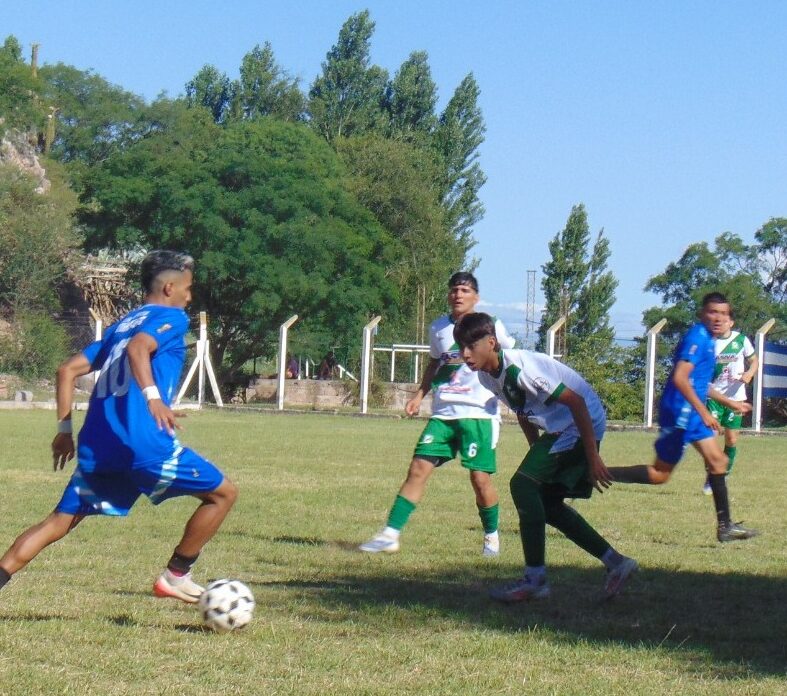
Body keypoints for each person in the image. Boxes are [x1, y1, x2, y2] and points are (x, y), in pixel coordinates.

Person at [0, 250, 238, 602]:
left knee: (58, 522)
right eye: (188, 288)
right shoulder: (172, 317)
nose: (190, 297)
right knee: (223, 494)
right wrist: (153, 398)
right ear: (170, 288)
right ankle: (176, 574)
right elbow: (139, 349)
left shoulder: (122, 326)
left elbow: (67, 370)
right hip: (142, 443)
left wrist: (64, 432)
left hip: (100, 447)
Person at [453, 312, 637, 602]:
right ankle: (617, 563)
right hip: (561, 426)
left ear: (491, 342)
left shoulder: (521, 368)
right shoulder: (486, 376)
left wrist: (593, 457)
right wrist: (535, 450)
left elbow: (576, 402)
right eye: (461, 346)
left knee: (522, 485)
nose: (464, 354)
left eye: (470, 346)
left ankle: (535, 579)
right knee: (547, 504)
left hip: (580, 421)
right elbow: (521, 409)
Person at [359, 272, 515, 557]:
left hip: (479, 414)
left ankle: (491, 537)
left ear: (476, 297)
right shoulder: (439, 328)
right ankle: (390, 534)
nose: (458, 295)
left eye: (465, 290)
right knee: (418, 468)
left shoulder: (491, 325)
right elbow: (434, 364)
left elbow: (508, 359)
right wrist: (419, 395)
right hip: (443, 413)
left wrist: (509, 392)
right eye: (454, 290)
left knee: (480, 479)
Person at [607, 292, 757, 542]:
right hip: (681, 412)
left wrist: (729, 402)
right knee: (659, 475)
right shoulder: (697, 338)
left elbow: (700, 384)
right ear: (702, 314)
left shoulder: (709, 340)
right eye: (713, 312)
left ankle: (725, 527)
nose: (718, 318)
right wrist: (704, 412)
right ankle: (594, 473)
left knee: (718, 461)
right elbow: (680, 378)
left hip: (692, 412)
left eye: (723, 314)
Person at [702, 313, 758, 494]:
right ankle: (711, 476)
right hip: (715, 397)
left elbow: (754, 361)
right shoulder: (709, 342)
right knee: (710, 438)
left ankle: (724, 473)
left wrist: (749, 374)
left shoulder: (741, 340)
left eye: (724, 320)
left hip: (736, 397)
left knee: (731, 439)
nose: (720, 323)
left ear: (731, 323)